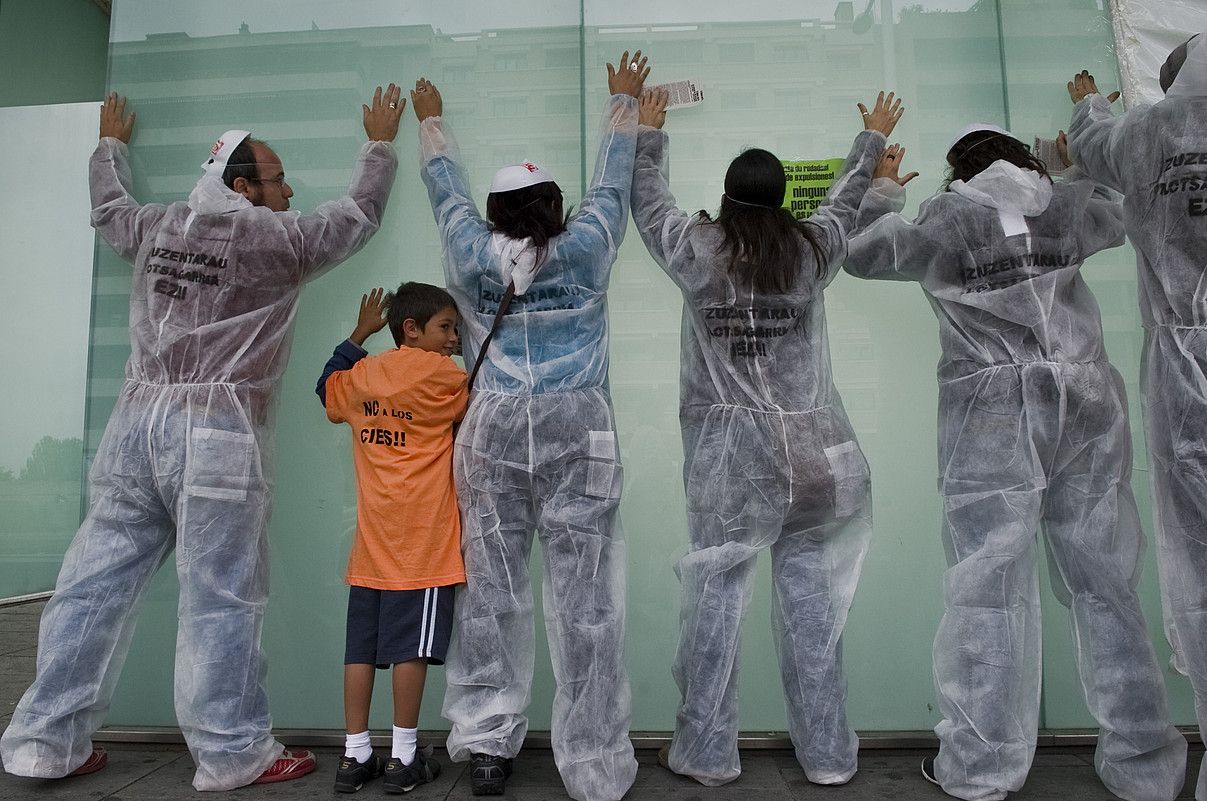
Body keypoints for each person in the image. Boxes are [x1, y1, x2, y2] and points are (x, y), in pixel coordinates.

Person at [0, 86, 405, 790]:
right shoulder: (277, 240)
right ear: (242, 186)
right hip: (216, 435)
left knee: (90, 589)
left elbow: (108, 209)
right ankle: (232, 751)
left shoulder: (158, 227)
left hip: (134, 429)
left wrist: (109, 147)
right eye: (276, 179)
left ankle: (42, 741)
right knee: (220, 597)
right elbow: (357, 216)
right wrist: (377, 146)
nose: (287, 190)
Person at [844, 122, 1188, 800]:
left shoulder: (945, 218)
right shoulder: (1061, 203)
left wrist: (879, 186)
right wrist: (1072, 163)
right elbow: (1123, 220)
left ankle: (980, 766)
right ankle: (1145, 765)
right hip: (1085, 398)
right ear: (1021, 156)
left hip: (992, 410)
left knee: (987, 586)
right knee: (1105, 579)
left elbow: (857, 253)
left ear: (957, 168)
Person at [627, 88, 903, 786]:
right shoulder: (810, 251)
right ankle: (829, 756)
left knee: (716, 601)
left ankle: (707, 750)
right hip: (814, 457)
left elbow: (647, 204)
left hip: (730, 464)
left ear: (724, 197)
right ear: (783, 199)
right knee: (812, 605)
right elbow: (845, 203)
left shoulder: (696, 249)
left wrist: (647, 131)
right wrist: (871, 140)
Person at [410, 52, 648, 801]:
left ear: (496, 210)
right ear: (554, 206)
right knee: (589, 602)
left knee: (490, 593)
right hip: (584, 434)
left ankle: (486, 743)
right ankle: (595, 763)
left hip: (496, 435)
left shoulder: (468, 250)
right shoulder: (586, 246)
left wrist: (430, 123)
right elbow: (613, 184)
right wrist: (623, 101)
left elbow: (444, 193)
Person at [1065, 36, 1207, 801]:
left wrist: (1088, 97)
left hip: (1186, 375)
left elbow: (1089, 145)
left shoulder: (1146, 134)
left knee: (1199, 566)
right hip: (1175, 369)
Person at [316, 283, 468, 795]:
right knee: (412, 651)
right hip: (422, 546)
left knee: (360, 650)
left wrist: (360, 334)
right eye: (446, 327)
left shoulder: (364, 376)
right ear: (413, 329)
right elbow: (478, 407)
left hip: (371, 548)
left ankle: (355, 753)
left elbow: (326, 388)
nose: (453, 338)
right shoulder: (445, 377)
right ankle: (403, 757)